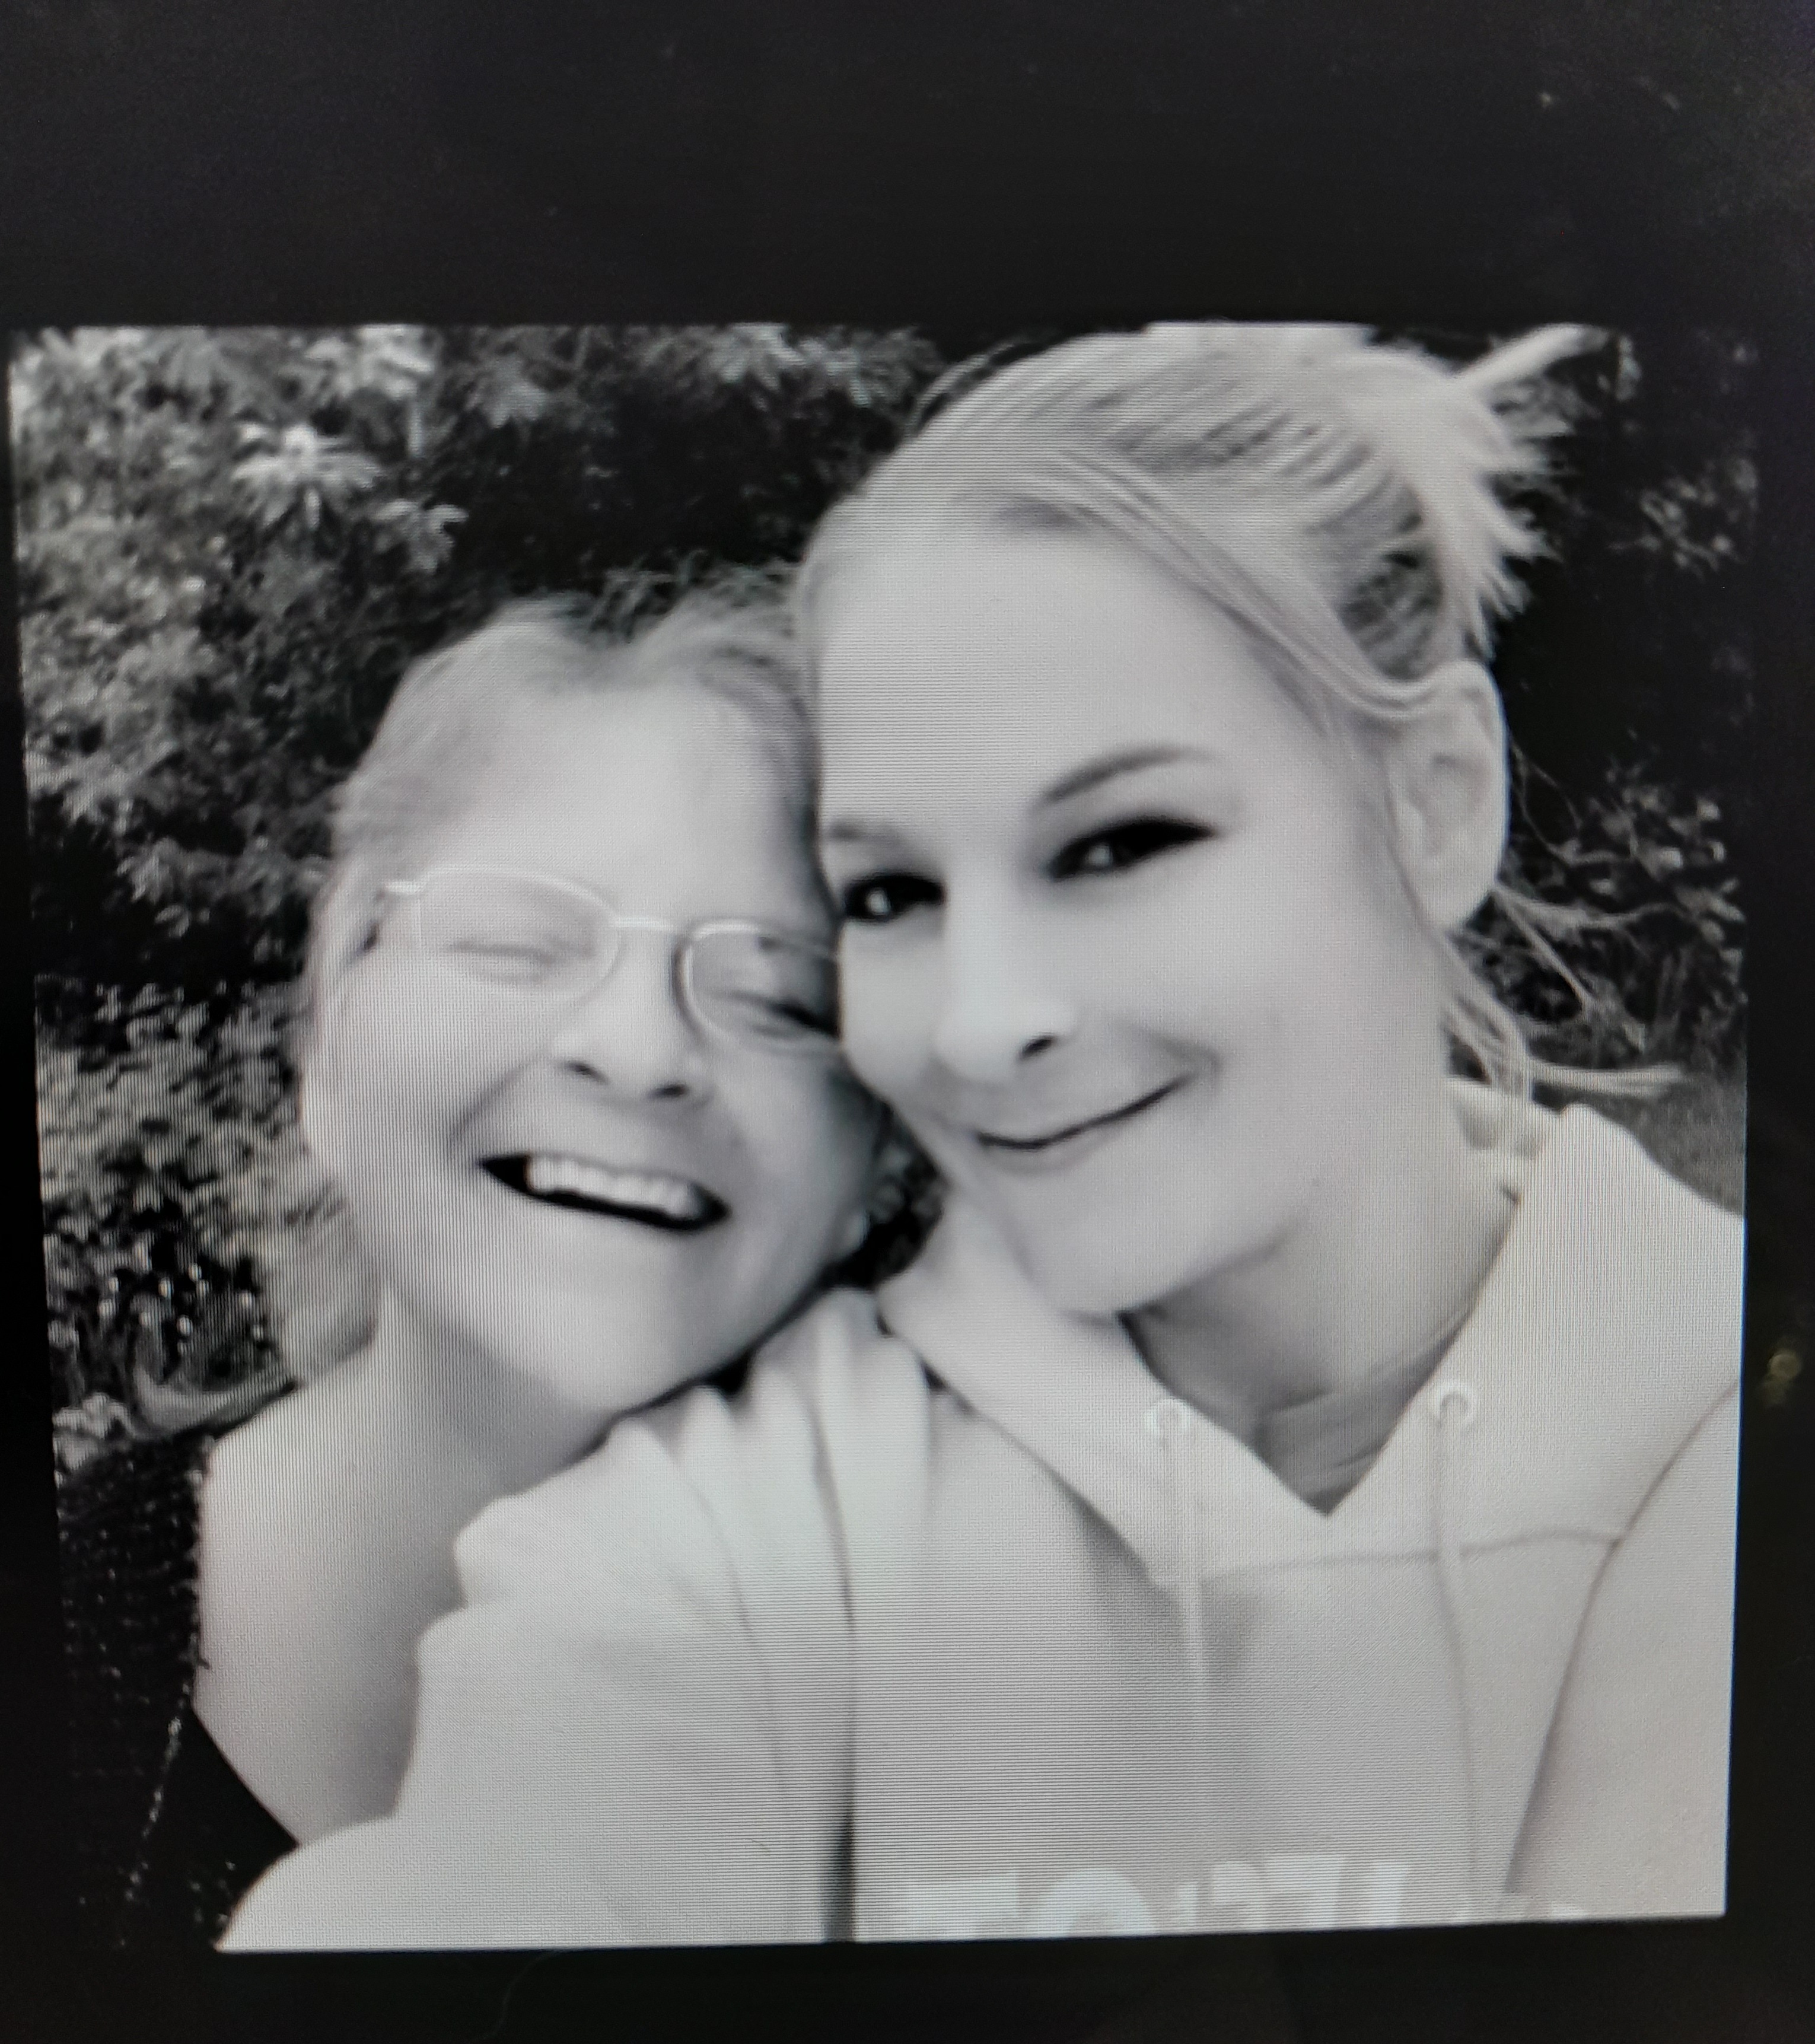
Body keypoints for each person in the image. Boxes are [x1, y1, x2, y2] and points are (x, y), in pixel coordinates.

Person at [225, 323, 1742, 1952]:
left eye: (1117, 843)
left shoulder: (1719, 1394)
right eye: (891, 893)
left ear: (1433, 801)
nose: (980, 1019)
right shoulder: (758, 1516)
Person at [61, 588, 891, 1944]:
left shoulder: (1013, 1691)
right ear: (329, 1033)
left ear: (874, 1156)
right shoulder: (64, 1637)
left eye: (776, 996)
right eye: (518, 944)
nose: (639, 1049)